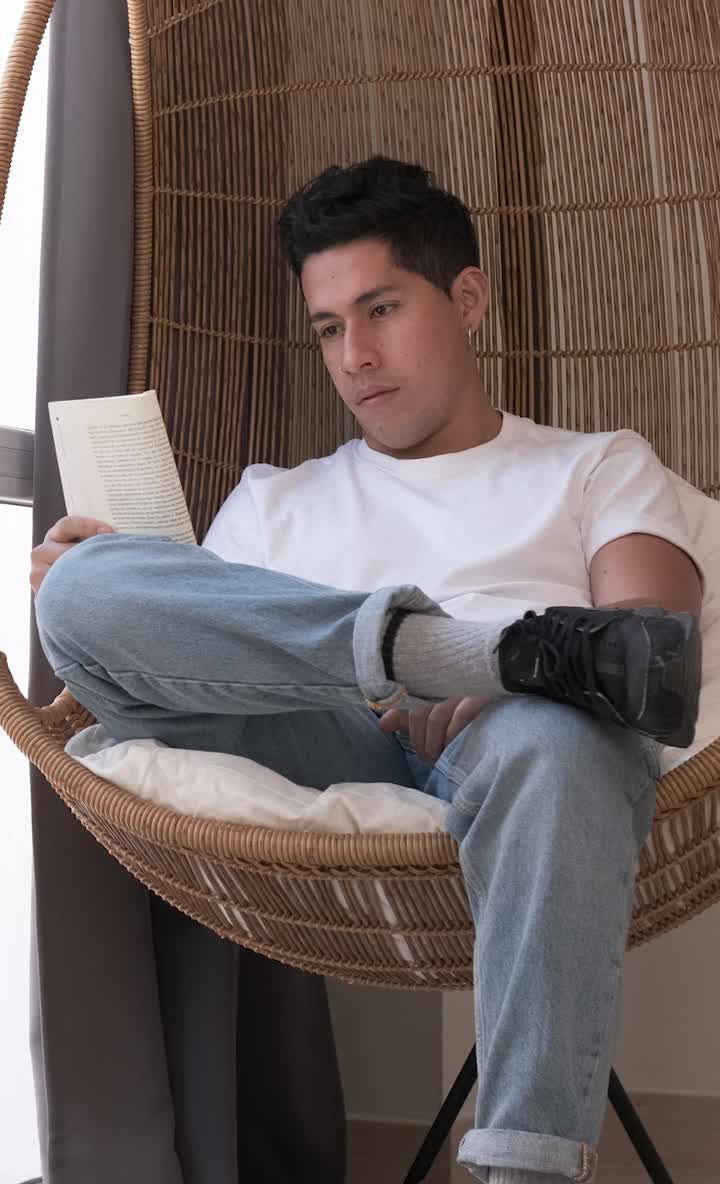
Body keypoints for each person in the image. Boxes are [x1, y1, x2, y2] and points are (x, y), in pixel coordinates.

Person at [31, 155, 705, 1184]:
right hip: (318, 725)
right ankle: (431, 646)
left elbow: (646, 639)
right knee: (77, 593)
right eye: (330, 327)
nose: (355, 355)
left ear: (467, 297)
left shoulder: (592, 463)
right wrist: (127, 574)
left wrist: (509, 689)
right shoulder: (274, 497)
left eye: (381, 308)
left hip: (511, 739)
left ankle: (521, 1166)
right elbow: (198, 657)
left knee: (568, 724)